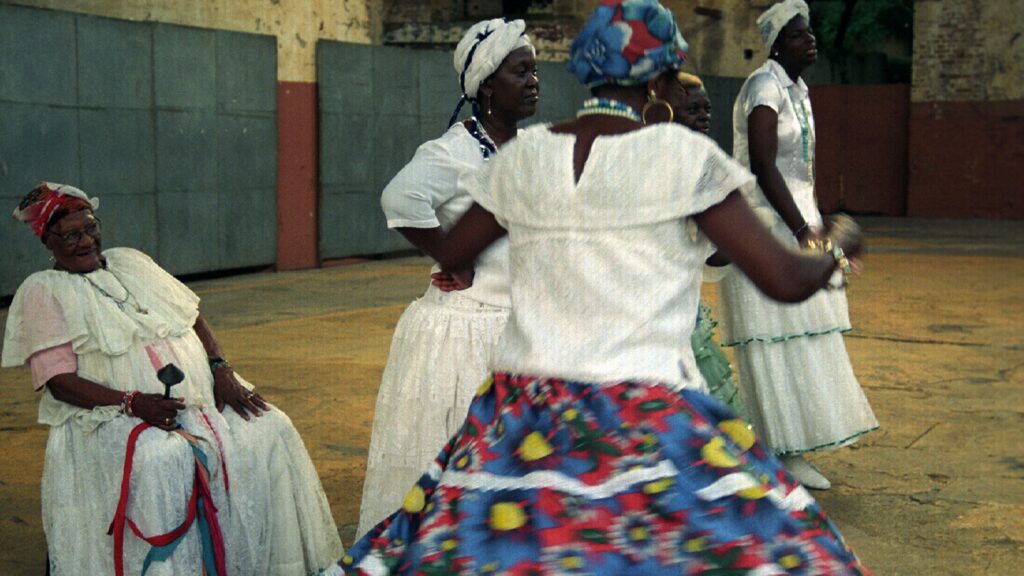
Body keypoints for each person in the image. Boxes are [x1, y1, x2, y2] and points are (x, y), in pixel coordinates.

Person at [328, 1, 871, 574]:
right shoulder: (680, 157)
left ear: (585, 72)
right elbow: (785, 279)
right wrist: (837, 245)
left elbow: (454, 253)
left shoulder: (525, 158)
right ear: (661, 79)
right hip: (645, 416)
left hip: (522, 418)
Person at [1, 183, 343, 575]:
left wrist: (221, 369)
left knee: (271, 426)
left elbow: (192, 315)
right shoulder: (44, 291)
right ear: (49, 241)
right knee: (166, 458)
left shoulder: (131, 262)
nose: (87, 242)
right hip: (109, 416)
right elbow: (59, 381)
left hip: (195, 402)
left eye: (91, 228)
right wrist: (133, 403)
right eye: (72, 235)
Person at [356, 18, 540, 536]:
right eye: (520, 71)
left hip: (516, 326)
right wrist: (450, 257)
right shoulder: (455, 150)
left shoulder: (523, 149)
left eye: (535, 71)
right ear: (486, 85)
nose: (533, 81)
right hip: (467, 330)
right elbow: (400, 198)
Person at [718, 0, 878, 490]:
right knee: (775, 342)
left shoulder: (799, 90)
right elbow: (764, 164)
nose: (810, 41)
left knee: (803, 340)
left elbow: (798, 170)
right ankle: (778, 452)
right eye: (798, 35)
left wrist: (818, 219)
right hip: (766, 227)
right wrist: (802, 230)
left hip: (799, 220)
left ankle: (792, 449)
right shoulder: (764, 86)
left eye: (809, 34)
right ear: (776, 44)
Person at [670, 71, 747, 420]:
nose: (704, 116)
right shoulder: (671, 165)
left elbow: (715, 254)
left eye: (707, 109)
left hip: (685, 299)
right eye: (692, 110)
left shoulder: (704, 164)